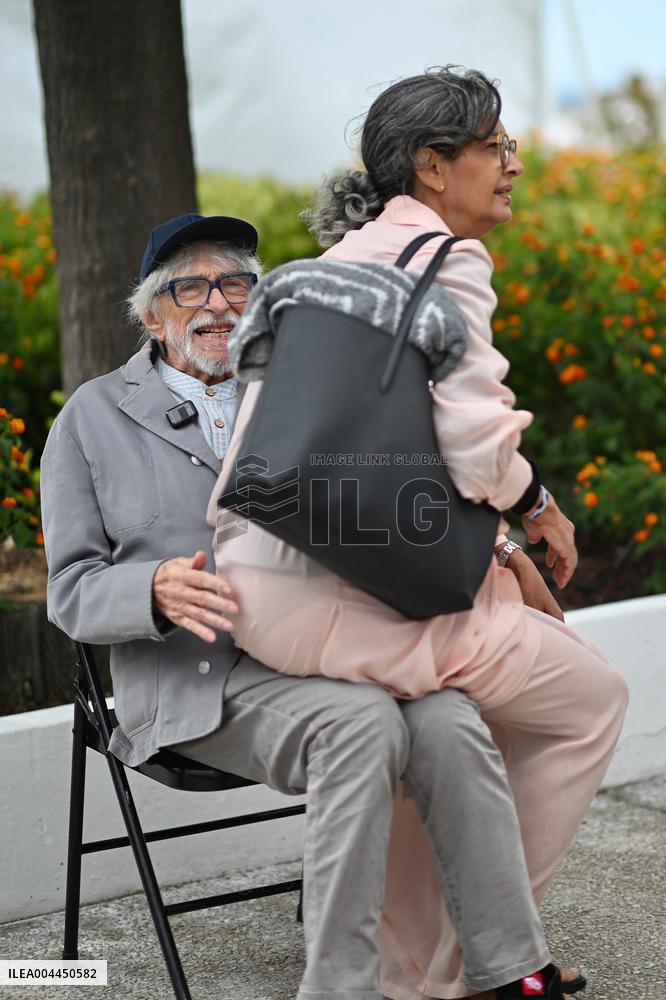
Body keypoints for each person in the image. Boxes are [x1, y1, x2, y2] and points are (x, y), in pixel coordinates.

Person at [42, 210, 581, 1000]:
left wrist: (501, 547)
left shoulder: (299, 387)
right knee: (359, 726)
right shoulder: (92, 417)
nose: (218, 303)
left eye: (236, 283)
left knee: (449, 718)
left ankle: (508, 969)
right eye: (190, 286)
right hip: (203, 677)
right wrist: (150, 590)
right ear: (152, 313)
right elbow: (70, 588)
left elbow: (401, 497)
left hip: (336, 647)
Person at [207, 67, 629, 999]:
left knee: (439, 725)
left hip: (268, 590)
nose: (511, 165)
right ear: (432, 168)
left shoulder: (322, 269)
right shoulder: (445, 260)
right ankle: (479, 969)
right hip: (370, 600)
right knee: (589, 700)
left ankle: (414, 968)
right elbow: (478, 449)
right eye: (495, 147)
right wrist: (538, 510)